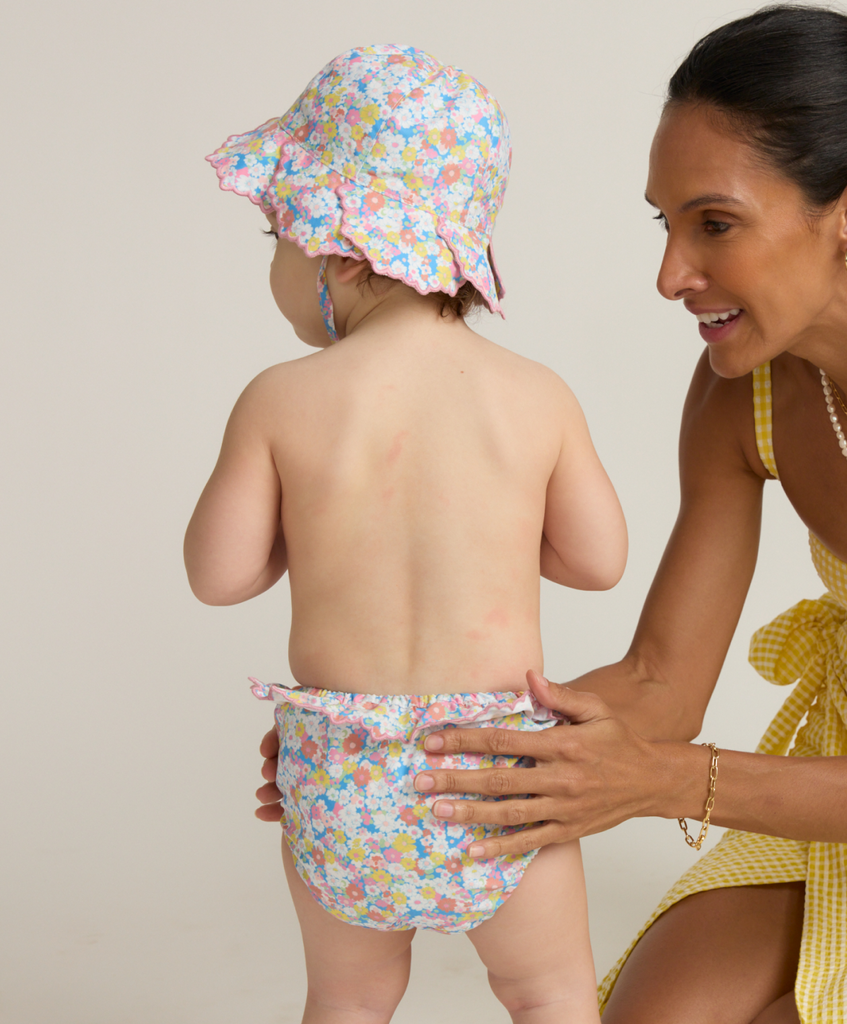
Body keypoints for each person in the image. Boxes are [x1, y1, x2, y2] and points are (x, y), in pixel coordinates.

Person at [249, 10, 847, 1022]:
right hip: (843, 773)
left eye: (712, 224)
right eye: (663, 225)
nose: (670, 275)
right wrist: (393, 744)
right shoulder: (743, 390)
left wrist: (660, 783)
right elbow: (661, 686)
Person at [185, 45, 627, 1024]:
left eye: (275, 235)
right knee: (550, 991)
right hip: (498, 771)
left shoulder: (280, 400)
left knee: (347, 996)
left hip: (344, 774)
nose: (274, 260)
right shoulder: (534, 396)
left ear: (336, 246)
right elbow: (598, 562)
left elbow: (219, 576)